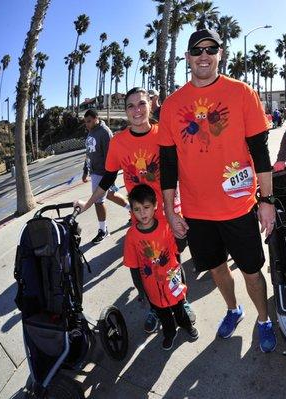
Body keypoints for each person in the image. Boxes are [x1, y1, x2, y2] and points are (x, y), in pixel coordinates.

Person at [158, 29, 277, 353]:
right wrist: (170, 210)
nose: (203, 55)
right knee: (216, 267)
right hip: (197, 213)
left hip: (238, 208)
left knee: (252, 271)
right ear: (187, 58)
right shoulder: (171, 106)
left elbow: (260, 152)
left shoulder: (241, 93)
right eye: (197, 50)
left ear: (220, 54)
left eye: (210, 49)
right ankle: (233, 309)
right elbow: (168, 164)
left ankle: (264, 319)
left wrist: (266, 201)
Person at [75, 87, 186, 336]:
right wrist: (88, 203)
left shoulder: (163, 133)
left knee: (171, 261)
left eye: (142, 104)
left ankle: (180, 301)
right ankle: (154, 307)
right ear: (125, 112)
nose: (137, 110)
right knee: (146, 265)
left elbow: (183, 168)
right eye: (131, 106)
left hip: (167, 210)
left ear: (150, 106)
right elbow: (107, 178)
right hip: (141, 217)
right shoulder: (118, 142)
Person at [124, 184, 198, 350]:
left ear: (155, 206)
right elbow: (133, 266)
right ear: (132, 212)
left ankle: (187, 325)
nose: (142, 213)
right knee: (163, 314)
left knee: (179, 307)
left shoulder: (166, 224)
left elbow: (179, 248)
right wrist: (140, 289)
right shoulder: (131, 236)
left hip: (172, 280)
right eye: (137, 209)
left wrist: (181, 230)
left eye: (146, 207)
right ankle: (169, 333)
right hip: (152, 287)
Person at [81, 109, 130, 244]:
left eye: (89, 121)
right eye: (86, 122)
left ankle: (103, 230)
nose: (87, 125)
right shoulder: (91, 131)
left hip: (103, 173)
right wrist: (85, 170)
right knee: (110, 195)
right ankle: (132, 210)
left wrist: (108, 175)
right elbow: (88, 153)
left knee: (98, 201)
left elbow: (111, 155)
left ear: (96, 118)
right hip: (94, 171)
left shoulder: (104, 132)